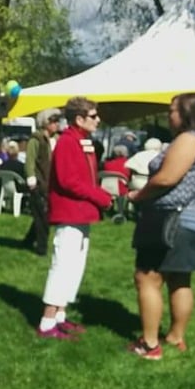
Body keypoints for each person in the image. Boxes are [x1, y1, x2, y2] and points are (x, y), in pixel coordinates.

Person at [126, 92, 195, 359]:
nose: (168, 114)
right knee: (180, 278)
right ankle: (176, 337)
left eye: (172, 110)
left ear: (187, 113)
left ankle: (150, 345)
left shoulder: (189, 139)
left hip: (172, 219)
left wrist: (138, 195)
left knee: (147, 277)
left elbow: (167, 178)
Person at [36, 96, 111, 340]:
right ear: (79, 119)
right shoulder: (69, 142)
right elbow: (69, 181)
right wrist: (100, 196)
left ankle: (60, 315)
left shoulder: (82, 141)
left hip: (81, 213)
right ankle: (47, 321)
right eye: (93, 115)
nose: (97, 119)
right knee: (63, 265)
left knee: (75, 266)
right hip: (70, 212)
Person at [23, 108, 60, 256]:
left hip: (52, 182)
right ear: (45, 123)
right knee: (42, 216)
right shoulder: (36, 139)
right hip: (39, 181)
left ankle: (28, 240)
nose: (57, 124)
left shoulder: (57, 139)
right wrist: (31, 178)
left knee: (43, 214)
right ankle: (42, 248)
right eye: (53, 121)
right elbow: (30, 160)